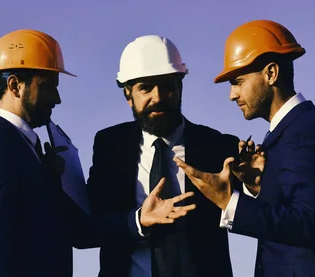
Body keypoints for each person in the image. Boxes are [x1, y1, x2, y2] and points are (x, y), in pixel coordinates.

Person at [0, 29, 196, 277]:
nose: (57, 98)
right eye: (48, 86)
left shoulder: (30, 149)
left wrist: (138, 220)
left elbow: (77, 229)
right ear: (15, 85)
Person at [174, 20, 315, 277]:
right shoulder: (293, 131)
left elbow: (308, 222)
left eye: (238, 81)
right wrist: (258, 188)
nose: (232, 94)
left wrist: (229, 201)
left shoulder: (305, 132)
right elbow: (297, 217)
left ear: (271, 73)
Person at [86, 35, 241, 277]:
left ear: (180, 88)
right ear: (128, 95)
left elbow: (256, 213)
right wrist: (138, 221)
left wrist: (253, 185)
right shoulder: (109, 147)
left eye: (167, 86)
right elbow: (91, 228)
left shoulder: (218, 146)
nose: (158, 97)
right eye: (145, 87)